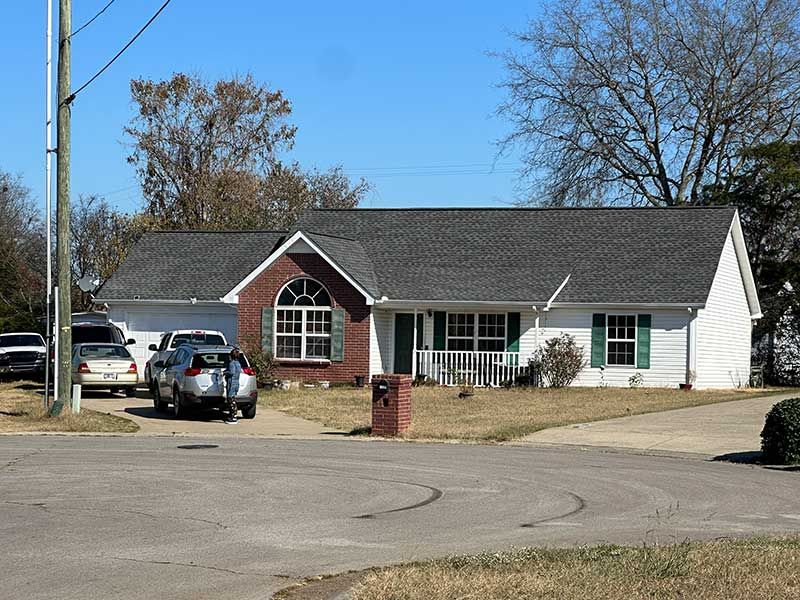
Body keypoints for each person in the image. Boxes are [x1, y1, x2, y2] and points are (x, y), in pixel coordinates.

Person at [223, 348, 243, 424]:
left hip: (231, 382)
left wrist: (225, 373)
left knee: (230, 399)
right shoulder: (238, 363)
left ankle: (233, 416)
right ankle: (233, 415)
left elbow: (231, 372)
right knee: (233, 398)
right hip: (236, 382)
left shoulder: (231, 363)